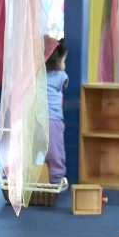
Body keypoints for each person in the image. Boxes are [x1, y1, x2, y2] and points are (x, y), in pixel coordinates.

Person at [44, 36, 69, 183]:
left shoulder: (37, 75)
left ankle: (33, 175)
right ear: (56, 61)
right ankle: (56, 177)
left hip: (35, 119)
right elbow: (65, 84)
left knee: (33, 150)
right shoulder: (61, 76)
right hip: (53, 120)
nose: (64, 64)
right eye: (63, 61)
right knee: (55, 150)